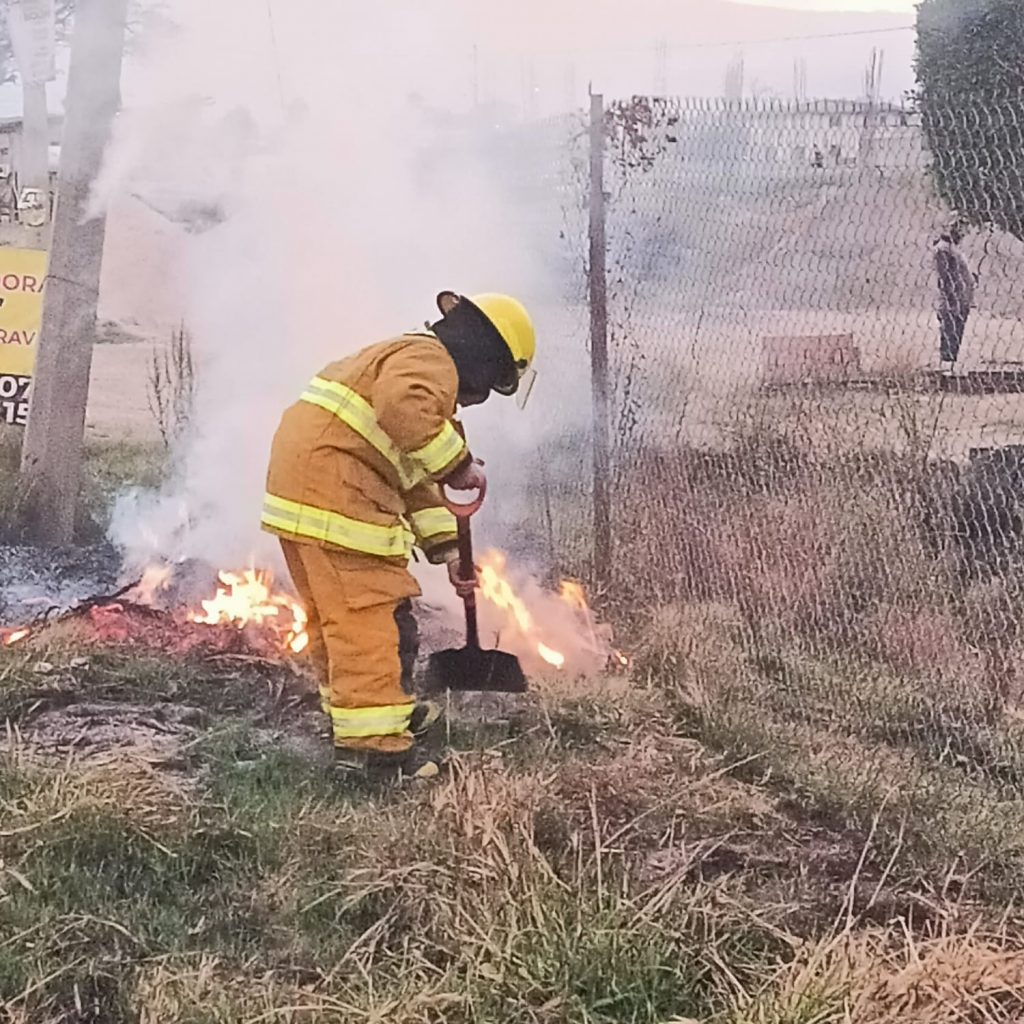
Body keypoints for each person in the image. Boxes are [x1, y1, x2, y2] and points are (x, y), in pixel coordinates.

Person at [261, 291, 536, 783]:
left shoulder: (414, 376)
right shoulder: (427, 363)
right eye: (493, 383)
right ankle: (376, 755)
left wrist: (450, 550)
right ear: (485, 355)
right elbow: (404, 412)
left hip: (308, 492)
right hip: (339, 495)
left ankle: (367, 711)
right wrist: (460, 464)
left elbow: (416, 480)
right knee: (370, 621)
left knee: (342, 622)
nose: (481, 396)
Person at [933, 222, 975, 373]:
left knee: (956, 333)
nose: (962, 232)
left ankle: (950, 366)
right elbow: (945, 276)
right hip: (953, 301)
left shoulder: (953, 248)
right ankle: (946, 368)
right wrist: (952, 300)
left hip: (961, 298)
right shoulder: (943, 249)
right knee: (950, 332)